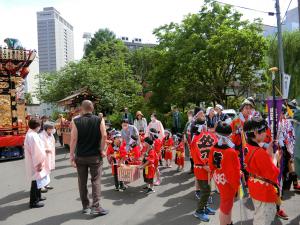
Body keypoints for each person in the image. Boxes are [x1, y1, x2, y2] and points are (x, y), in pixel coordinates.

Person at [69, 100, 108, 216]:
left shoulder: (76, 121)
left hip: (80, 156)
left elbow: (74, 139)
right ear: (92, 108)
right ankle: (96, 206)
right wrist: (102, 149)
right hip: (95, 156)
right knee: (95, 180)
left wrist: (71, 155)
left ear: (82, 108)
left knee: (82, 182)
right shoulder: (99, 120)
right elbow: (104, 135)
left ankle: (85, 206)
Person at [244, 116, 280, 225]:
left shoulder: (247, 146)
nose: (266, 133)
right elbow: (272, 174)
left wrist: (267, 154)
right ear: (255, 132)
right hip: (263, 189)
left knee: (259, 215)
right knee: (263, 219)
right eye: (264, 130)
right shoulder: (259, 152)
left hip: (254, 184)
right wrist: (274, 158)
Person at [209, 122, 240, 225]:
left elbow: (211, 165)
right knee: (226, 205)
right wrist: (237, 186)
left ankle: (228, 222)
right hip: (227, 181)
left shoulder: (213, 148)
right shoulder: (230, 152)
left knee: (226, 203)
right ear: (230, 135)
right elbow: (233, 172)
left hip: (218, 177)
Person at [190, 116, 217, 222]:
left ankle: (205, 208)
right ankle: (198, 211)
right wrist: (204, 164)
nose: (206, 126)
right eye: (205, 124)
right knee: (205, 191)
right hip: (201, 168)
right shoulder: (196, 138)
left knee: (207, 189)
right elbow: (196, 154)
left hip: (207, 167)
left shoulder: (205, 136)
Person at [24, 118, 49, 208]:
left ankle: (38, 197)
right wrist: (39, 163)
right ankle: (33, 201)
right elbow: (37, 151)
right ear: (37, 126)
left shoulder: (31, 133)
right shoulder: (33, 136)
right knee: (35, 181)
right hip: (35, 161)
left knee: (38, 180)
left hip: (33, 160)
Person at [39, 122, 56, 192]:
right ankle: (41, 186)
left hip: (50, 155)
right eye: (51, 128)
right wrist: (45, 150)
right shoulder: (41, 135)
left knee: (48, 169)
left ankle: (46, 184)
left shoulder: (51, 134)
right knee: (43, 170)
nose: (53, 130)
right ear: (47, 129)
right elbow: (39, 146)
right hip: (43, 155)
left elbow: (52, 144)